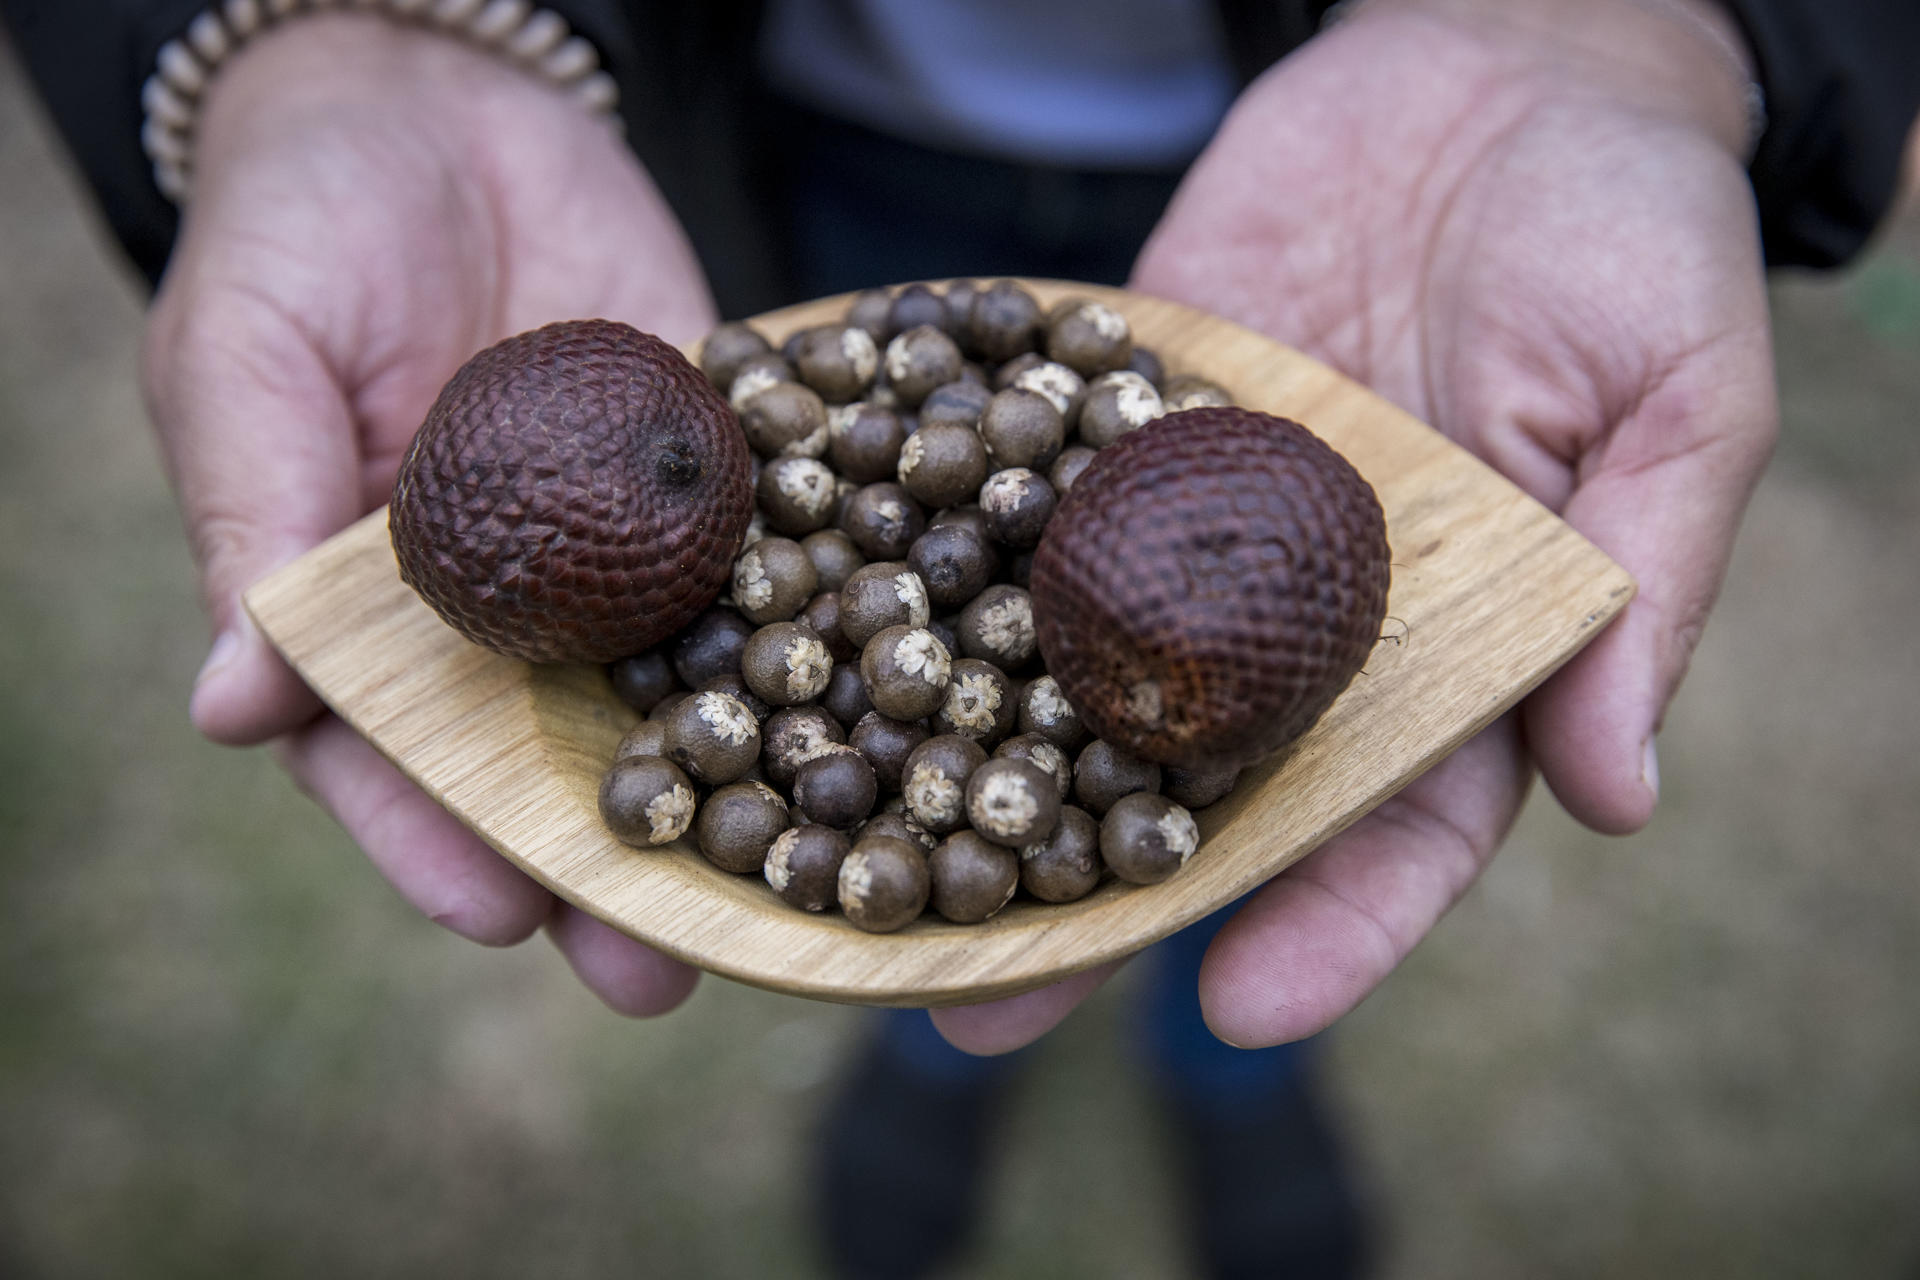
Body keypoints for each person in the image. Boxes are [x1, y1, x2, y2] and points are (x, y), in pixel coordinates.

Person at [3, 0, 1914, 1274]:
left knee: (1258, 843)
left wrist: (1647, 26)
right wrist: (320, 37)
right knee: (1036, 906)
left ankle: (1228, 1078)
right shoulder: (793, 511)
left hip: (1380, 109)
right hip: (783, 109)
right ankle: (931, 1058)